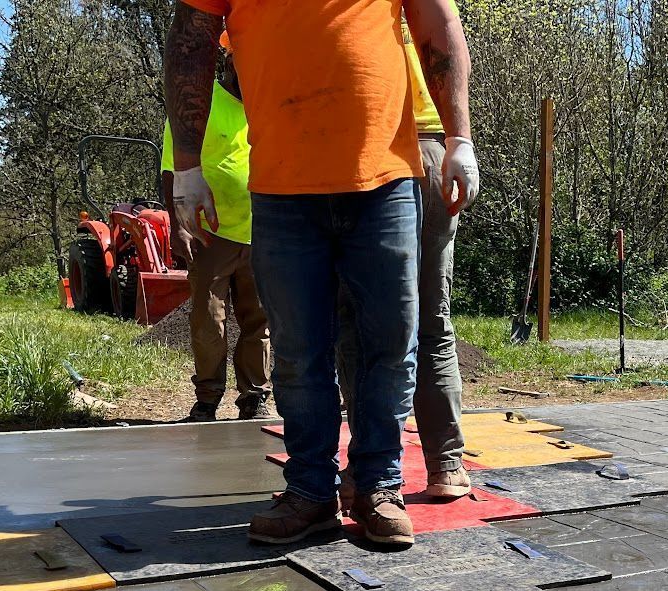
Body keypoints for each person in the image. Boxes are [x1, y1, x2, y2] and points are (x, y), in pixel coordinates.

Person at [164, 0, 478, 548]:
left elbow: (437, 25)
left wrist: (460, 138)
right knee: (297, 351)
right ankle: (310, 492)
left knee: (390, 343)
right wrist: (187, 165)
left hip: (383, 180)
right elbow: (191, 43)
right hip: (284, 190)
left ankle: (379, 488)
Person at [336, 16, 477, 503]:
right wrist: (461, 141)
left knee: (356, 320)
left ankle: (367, 470)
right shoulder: (418, 10)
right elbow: (448, 49)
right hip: (429, 144)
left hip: (370, 150)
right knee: (431, 319)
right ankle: (445, 464)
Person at [160, 34, 271, 423]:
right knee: (209, 318)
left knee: (259, 320)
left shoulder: (267, 105)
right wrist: (178, 224)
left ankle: (254, 397)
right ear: (230, 61)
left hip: (263, 233)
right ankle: (207, 399)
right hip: (211, 233)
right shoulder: (200, 104)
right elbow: (170, 168)